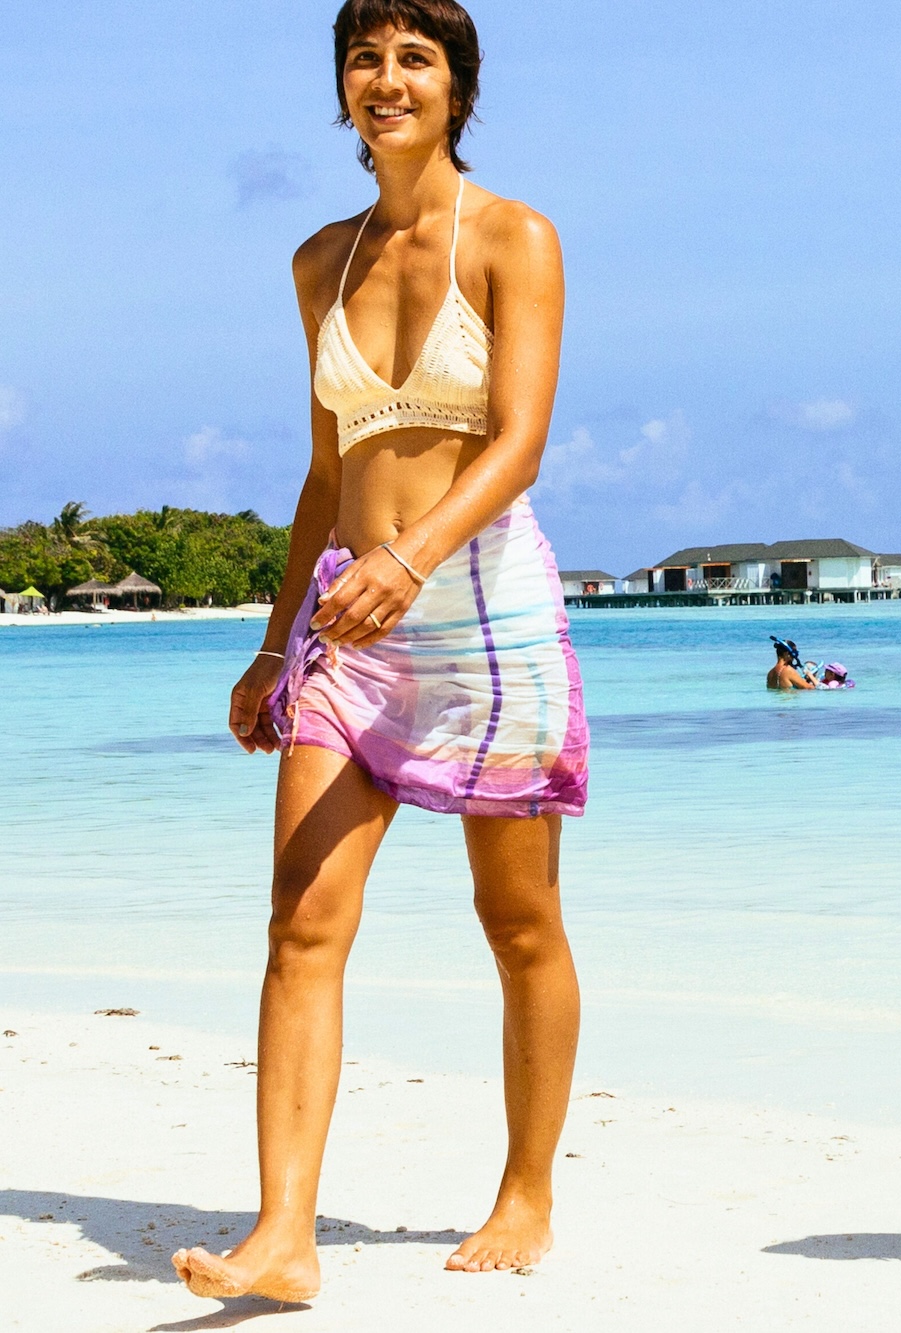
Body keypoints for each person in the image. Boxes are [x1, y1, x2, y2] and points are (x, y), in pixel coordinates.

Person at [176, 0, 587, 1302]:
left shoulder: (515, 238)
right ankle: (283, 1235)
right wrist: (271, 643)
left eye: (415, 57)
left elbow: (518, 443)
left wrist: (411, 562)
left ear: (457, 87)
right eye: (365, 56)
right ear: (343, 87)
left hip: (483, 623)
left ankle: (527, 1191)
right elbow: (323, 470)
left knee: (517, 921)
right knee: (301, 919)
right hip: (347, 627)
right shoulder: (320, 261)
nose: (387, 77)